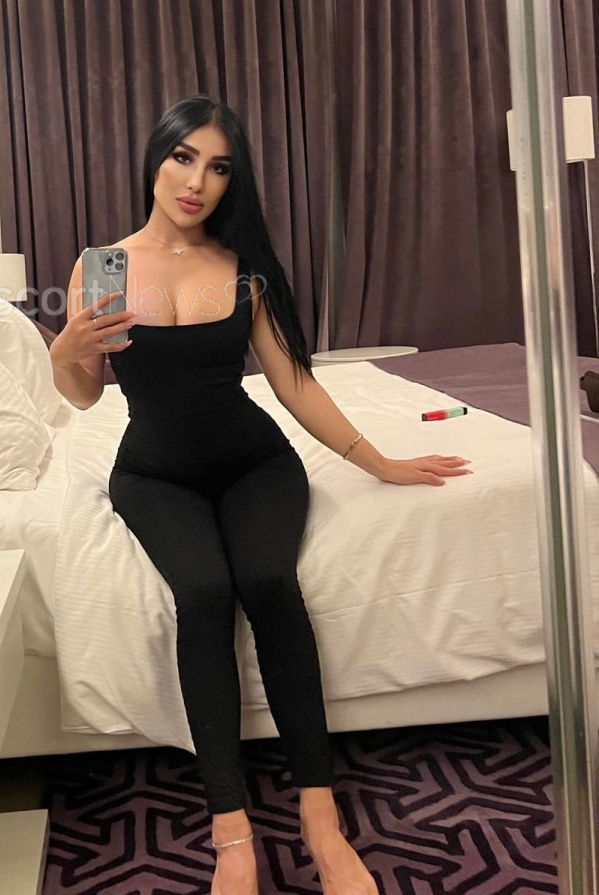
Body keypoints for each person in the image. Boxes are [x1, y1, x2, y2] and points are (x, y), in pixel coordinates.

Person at [48, 96, 472, 895]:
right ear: (156, 158)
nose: (196, 182)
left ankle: (321, 818)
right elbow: (83, 394)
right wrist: (62, 352)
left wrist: (378, 461)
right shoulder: (103, 266)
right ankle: (232, 834)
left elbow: (292, 383)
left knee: (271, 582)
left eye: (218, 168)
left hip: (255, 464)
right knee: (204, 592)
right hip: (154, 474)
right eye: (184, 158)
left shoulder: (242, 266)